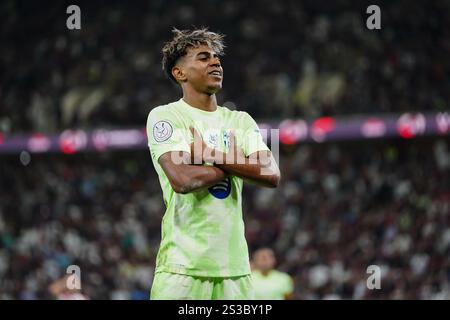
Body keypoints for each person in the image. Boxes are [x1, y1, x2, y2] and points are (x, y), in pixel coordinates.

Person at [146, 28, 280, 300]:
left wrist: (211, 154)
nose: (215, 62)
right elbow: (183, 180)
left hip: (236, 271)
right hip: (182, 270)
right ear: (180, 73)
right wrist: (238, 163)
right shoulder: (167, 116)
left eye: (216, 57)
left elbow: (270, 173)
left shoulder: (239, 120)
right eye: (203, 57)